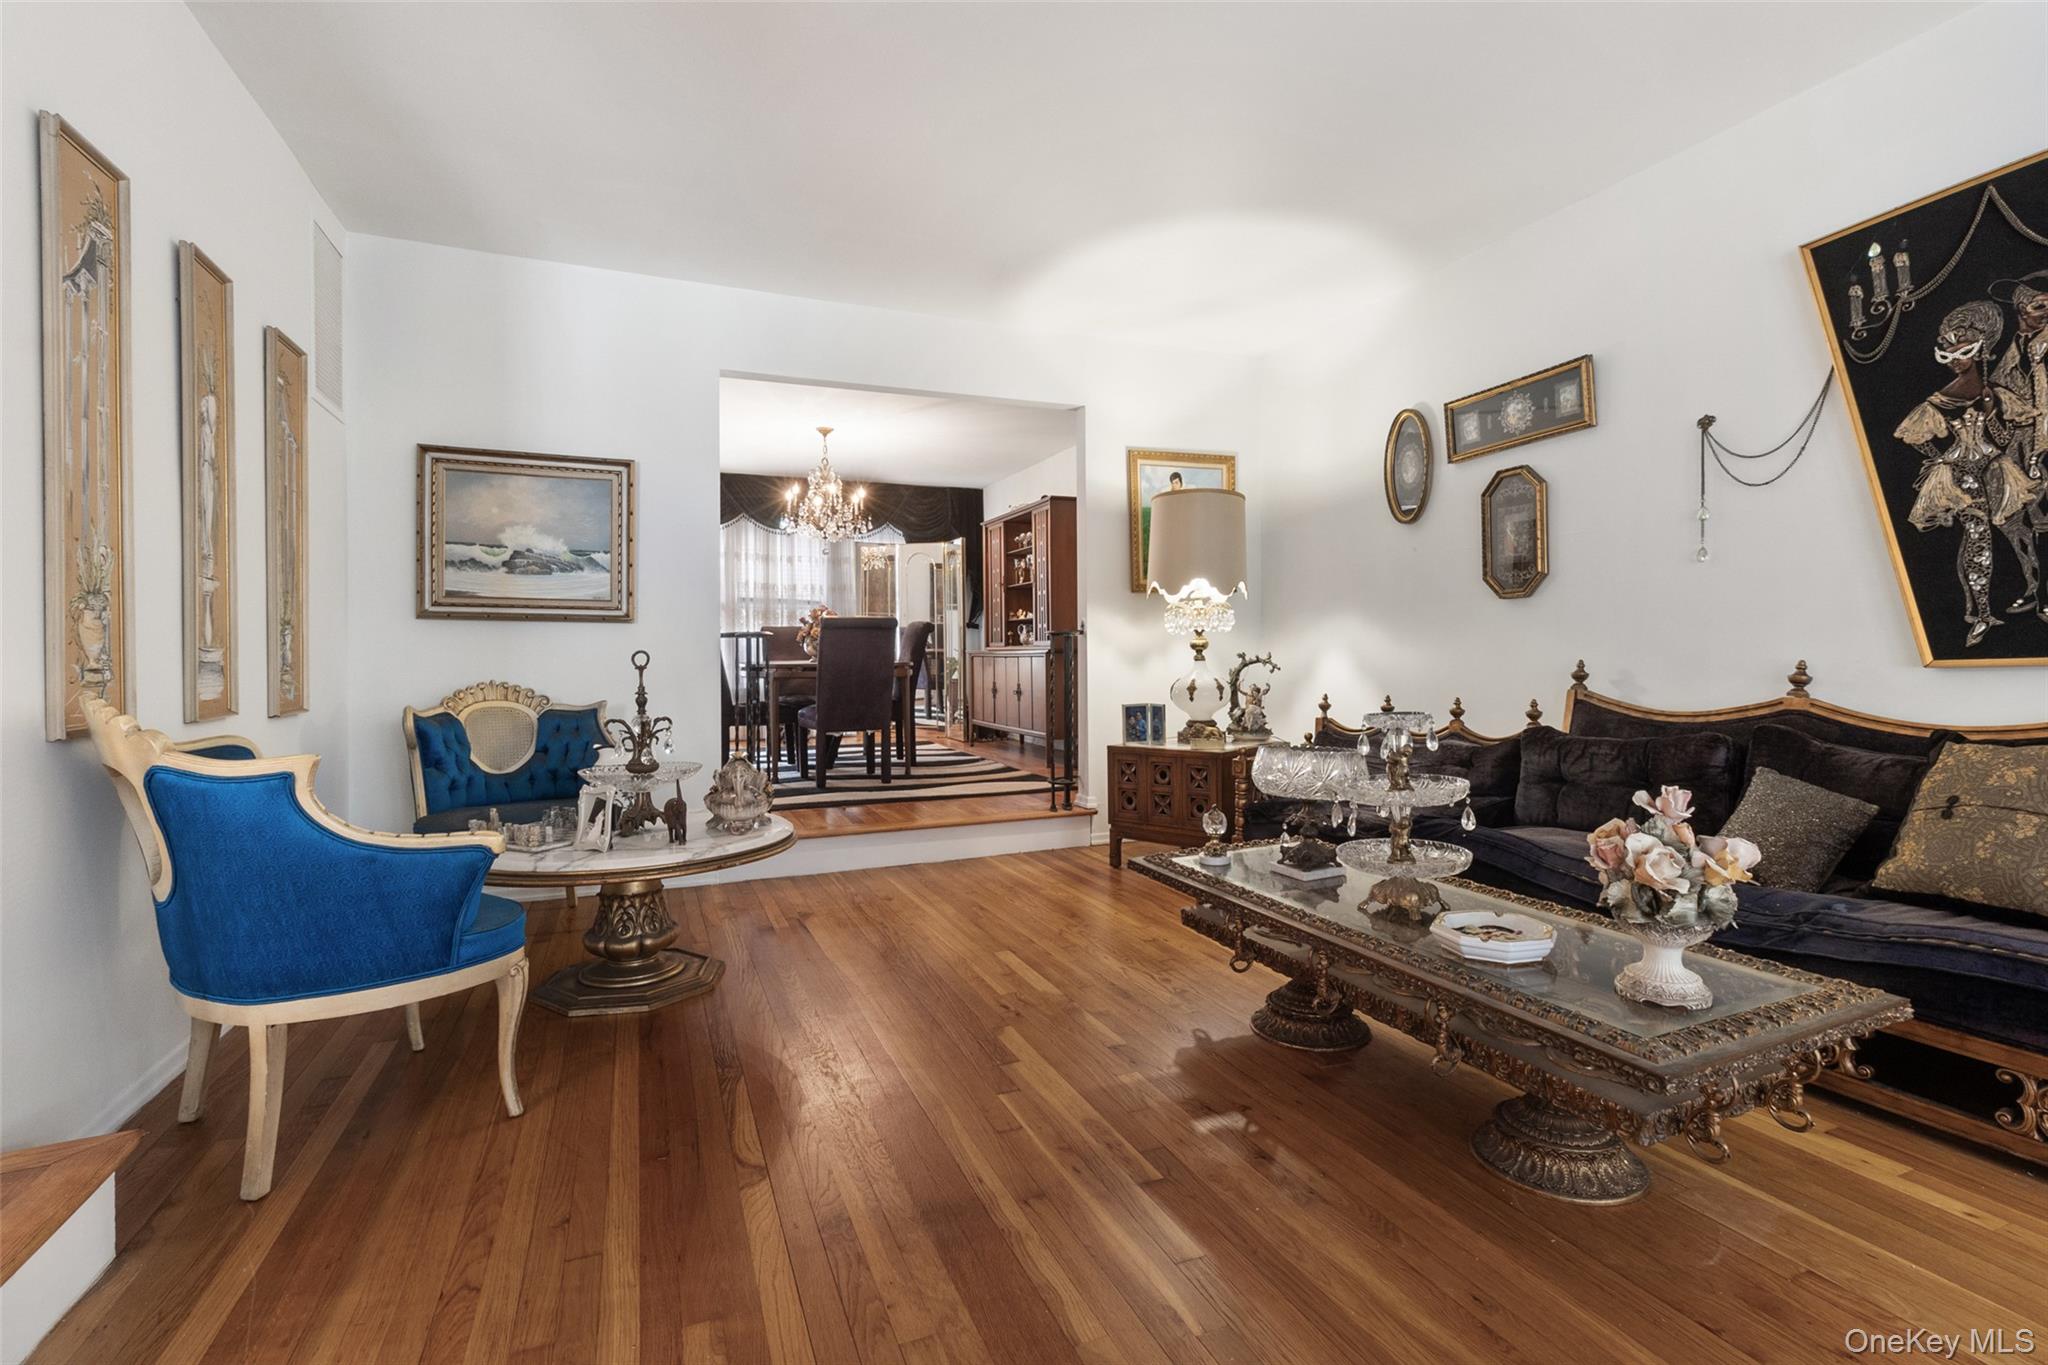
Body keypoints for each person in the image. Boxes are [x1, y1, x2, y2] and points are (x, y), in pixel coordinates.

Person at [1893, 301, 2023, 647]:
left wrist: (1990, 412)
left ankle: (1988, 607)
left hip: (1996, 468)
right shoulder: (1939, 400)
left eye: (1962, 353)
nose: (1955, 361)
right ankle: (1981, 613)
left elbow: (2004, 438)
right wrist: (1940, 461)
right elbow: (1915, 436)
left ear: (1980, 351)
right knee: (1979, 536)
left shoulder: (1993, 393)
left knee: (2002, 533)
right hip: (1963, 471)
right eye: (1948, 354)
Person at [1989, 270, 2048, 618]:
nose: (2046, 312)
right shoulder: (2012, 351)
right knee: (2014, 519)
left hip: (2045, 443)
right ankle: (2033, 586)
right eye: (2039, 305)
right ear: (2020, 308)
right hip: (2018, 447)